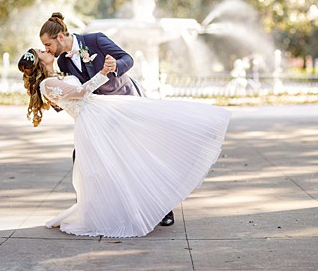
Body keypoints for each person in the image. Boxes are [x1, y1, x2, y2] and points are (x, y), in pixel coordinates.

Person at [19, 45, 229, 239]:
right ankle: (124, 212)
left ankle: (148, 205)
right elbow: (80, 92)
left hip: (101, 111)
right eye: (42, 51)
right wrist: (103, 73)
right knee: (113, 166)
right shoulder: (47, 84)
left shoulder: (59, 73)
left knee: (134, 151)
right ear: (39, 62)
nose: (46, 49)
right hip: (92, 121)